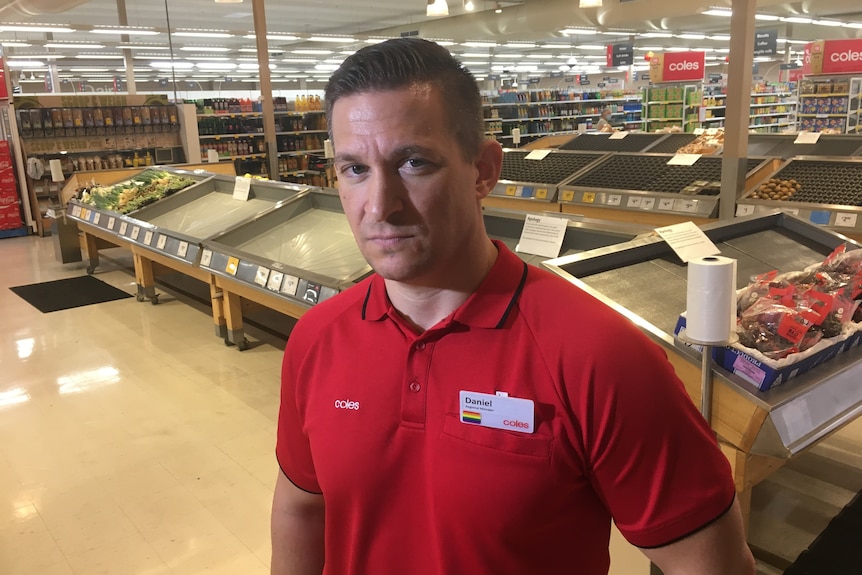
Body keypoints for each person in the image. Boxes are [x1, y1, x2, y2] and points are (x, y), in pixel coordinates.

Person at [271, 37, 755, 575]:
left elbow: (712, 564)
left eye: (413, 163)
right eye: (354, 169)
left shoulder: (602, 358)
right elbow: (300, 510)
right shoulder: (316, 339)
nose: (380, 205)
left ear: (483, 170)